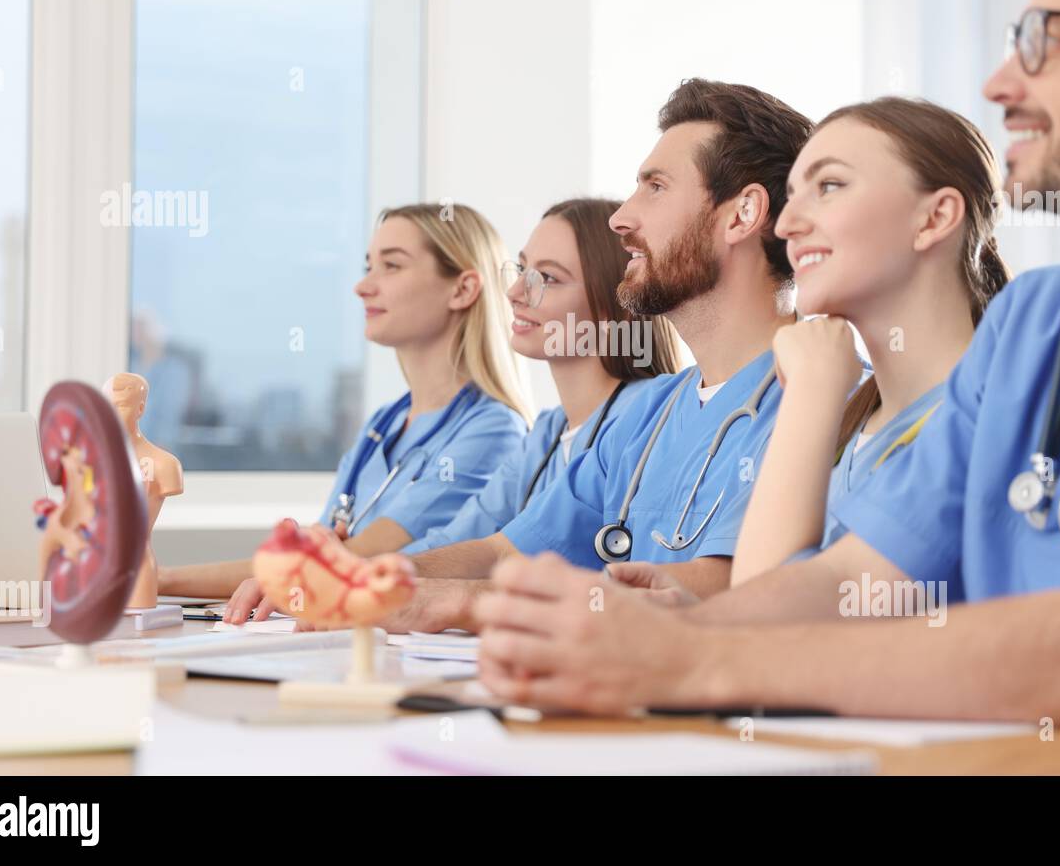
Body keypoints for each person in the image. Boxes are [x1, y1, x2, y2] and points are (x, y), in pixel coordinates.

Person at [475, 0, 1060, 734]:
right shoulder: (1035, 322)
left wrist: (691, 661)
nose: (999, 84)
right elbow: (853, 578)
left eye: (1046, 39)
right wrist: (635, 637)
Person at [323, 78, 813, 632]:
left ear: (743, 213)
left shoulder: (819, 399)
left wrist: (466, 603)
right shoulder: (647, 413)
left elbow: (731, 587)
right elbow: (505, 552)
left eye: (655, 187)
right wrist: (358, 580)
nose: (621, 218)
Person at [225, 198, 680, 621]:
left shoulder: (647, 415)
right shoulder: (546, 433)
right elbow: (472, 545)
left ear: (614, 304)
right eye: (521, 270)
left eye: (549, 278)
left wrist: (353, 576)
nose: (516, 292)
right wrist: (350, 576)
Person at [160, 202, 531, 603]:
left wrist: (158, 581)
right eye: (367, 266)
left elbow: (345, 561)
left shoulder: (491, 430)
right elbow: (315, 557)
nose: (363, 286)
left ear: (462, 289)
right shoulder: (383, 425)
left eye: (392, 266)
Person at [726, 97, 1008, 585]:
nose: (786, 225)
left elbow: (762, 622)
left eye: (829, 185)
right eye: (792, 194)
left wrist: (812, 389)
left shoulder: (989, 421)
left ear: (935, 218)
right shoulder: (854, 429)